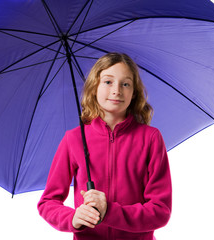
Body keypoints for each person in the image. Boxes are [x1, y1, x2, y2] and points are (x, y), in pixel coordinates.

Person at [37, 52, 172, 240]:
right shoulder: (74, 139)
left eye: (125, 84)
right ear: (94, 87)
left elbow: (160, 210)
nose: (117, 90)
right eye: (108, 82)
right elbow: (48, 202)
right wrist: (73, 218)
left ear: (134, 93)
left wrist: (109, 211)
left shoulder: (150, 138)